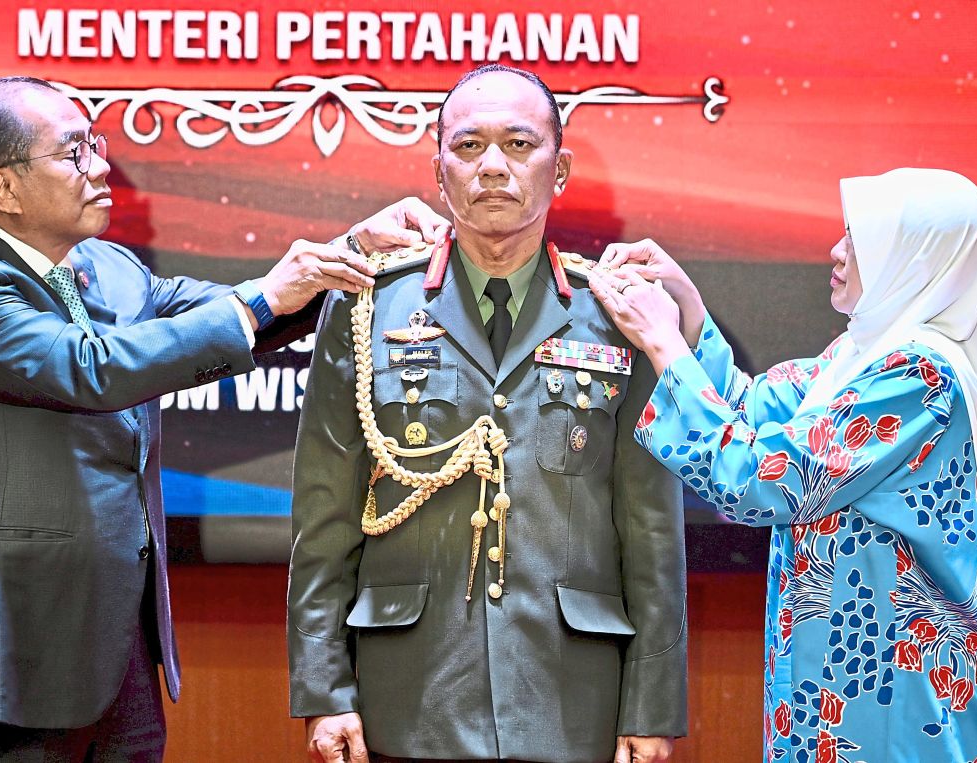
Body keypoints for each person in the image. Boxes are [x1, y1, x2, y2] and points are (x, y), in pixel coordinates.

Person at [0, 75, 446, 761]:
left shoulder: (108, 268)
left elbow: (244, 309)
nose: (100, 166)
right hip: (6, 667)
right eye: (72, 153)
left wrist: (353, 250)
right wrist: (262, 299)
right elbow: (90, 366)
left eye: (94, 144)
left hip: (120, 663)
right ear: (3, 187)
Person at [288, 64, 688, 763]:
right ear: (437, 170)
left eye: (519, 145)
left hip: (571, 703)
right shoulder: (365, 307)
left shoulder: (618, 314)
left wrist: (651, 706)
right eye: (469, 148)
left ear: (558, 169)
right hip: (409, 699)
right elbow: (322, 520)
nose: (494, 167)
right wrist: (324, 689)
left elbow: (651, 529)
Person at [589, 168, 977, 762]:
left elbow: (760, 479)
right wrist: (687, 307)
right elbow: (748, 409)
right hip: (838, 695)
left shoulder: (922, 377)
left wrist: (663, 346)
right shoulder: (860, 356)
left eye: (859, 242)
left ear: (914, 259)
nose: (836, 252)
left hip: (899, 707)